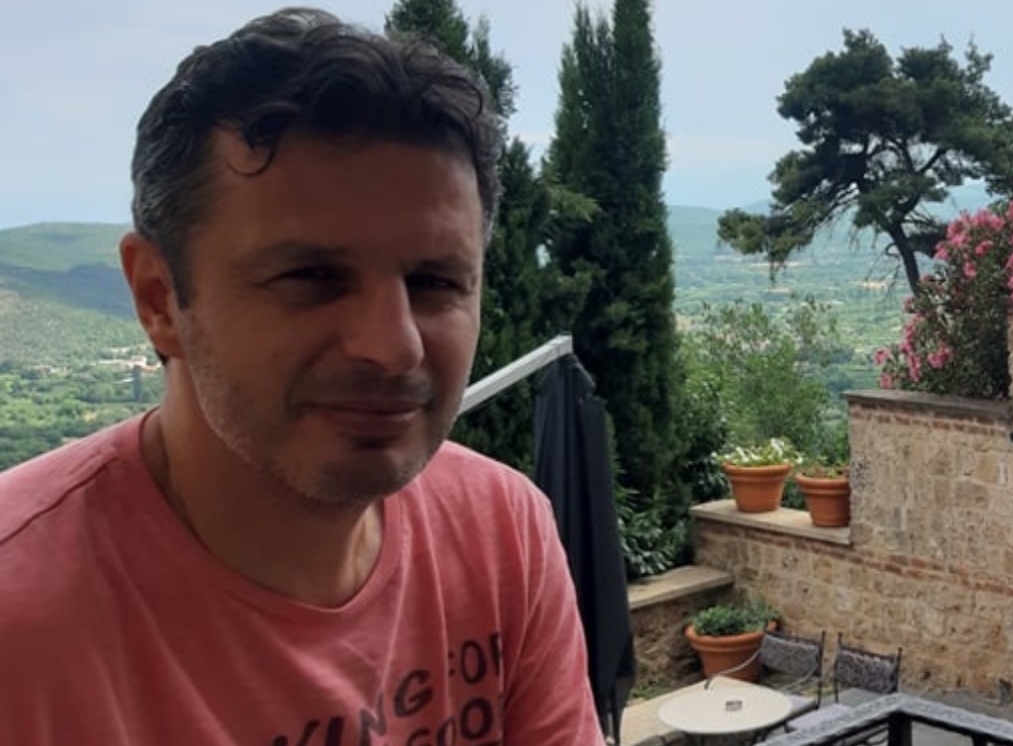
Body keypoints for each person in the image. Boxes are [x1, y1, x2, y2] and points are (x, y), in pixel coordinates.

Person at [0, 8, 603, 744]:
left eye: (436, 282)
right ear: (159, 299)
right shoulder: (20, 627)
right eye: (311, 276)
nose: (393, 346)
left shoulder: (503, 534)